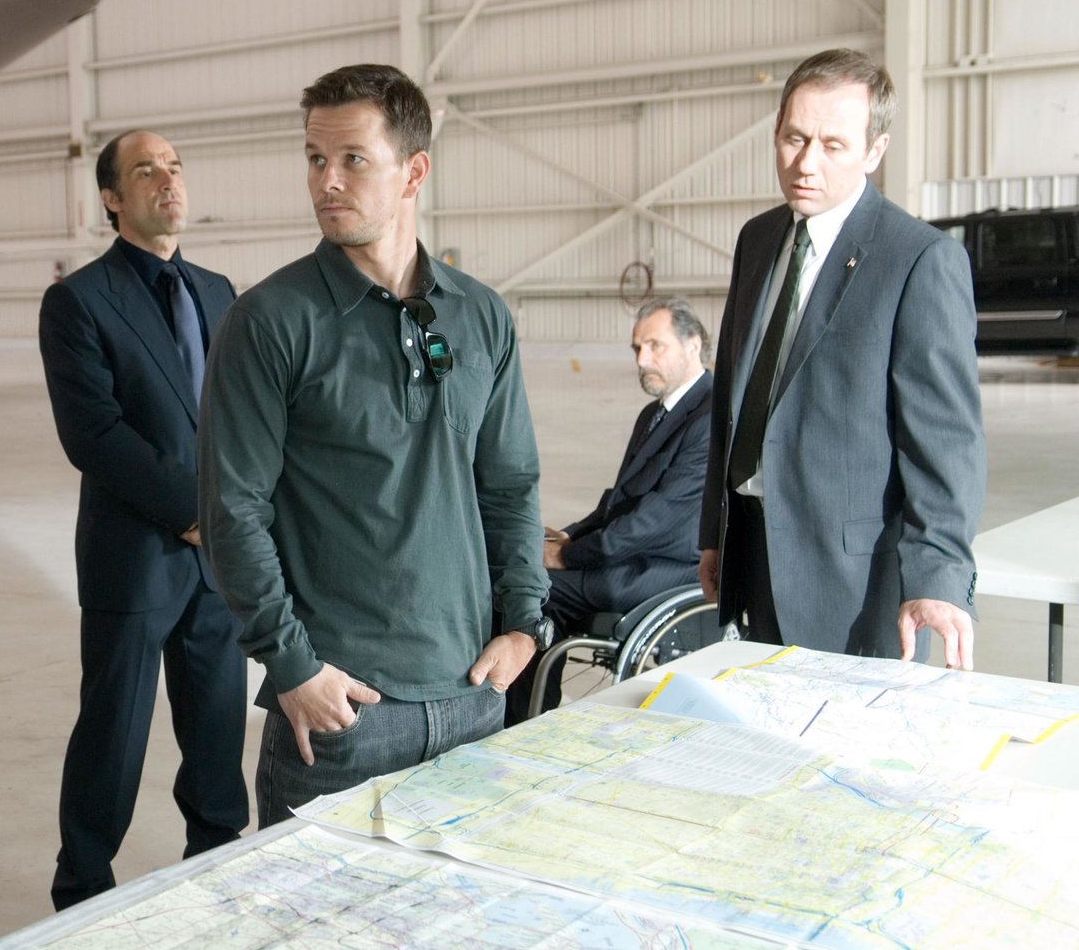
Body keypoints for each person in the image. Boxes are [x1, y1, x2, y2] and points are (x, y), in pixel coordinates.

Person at [198, 64, 551, 828]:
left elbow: (510, 484)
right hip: (342, 711)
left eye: (353, 159)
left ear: (414, 172)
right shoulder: (269, 321)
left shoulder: (481, 315)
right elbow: (232, 510)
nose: (327, 180)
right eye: (315, 158)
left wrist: (524, 623)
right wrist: (293, 665)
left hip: (473, 696)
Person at [699, 48, 985, 668]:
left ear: (874, 151)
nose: (806, 163)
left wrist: (938, 575)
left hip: (851, 583)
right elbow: (732, 396)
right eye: (794, 139)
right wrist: (714, 534)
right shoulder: (758, 240)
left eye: (833, 145)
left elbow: (945, 440)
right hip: (753, 551)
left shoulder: (919, 259)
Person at [39, 130, 248, 908]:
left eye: (175, 167)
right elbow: (93, 434)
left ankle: (217, 864)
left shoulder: (218, 291)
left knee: (218, 728)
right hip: (134, 557)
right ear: (112, 197)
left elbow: (241, 415)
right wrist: (192, 511)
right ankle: (83, 886)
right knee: (114, 735)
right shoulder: (80, 300)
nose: (168, 180)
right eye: (146, 170)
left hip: (217, 559)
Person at [512, 296, 714, 721]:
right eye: (637, 348)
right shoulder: (654, 413)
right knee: (522, 573)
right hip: (634, 555)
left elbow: (656, 518)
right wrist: (570, 534)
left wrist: (568, 556)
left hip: (661, 568)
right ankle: (527, 708)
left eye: (655, 346)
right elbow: (619, 499)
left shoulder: (709, 417)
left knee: (534, 586)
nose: (642, 360)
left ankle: (523, 718)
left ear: (693, 344)